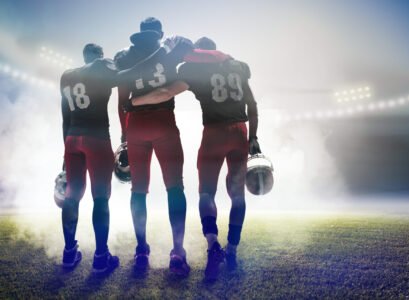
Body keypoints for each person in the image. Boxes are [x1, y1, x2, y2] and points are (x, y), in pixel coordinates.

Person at [131, 37, 262, 281]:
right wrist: (253, 136)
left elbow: (165, 92)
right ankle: (232, 249)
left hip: (214, 134)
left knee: (206, 193)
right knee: (237, 195)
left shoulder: (195, 69)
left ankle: (213, 244)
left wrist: (136, 100)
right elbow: (252, 106)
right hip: (239, 132)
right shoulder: (238, 66)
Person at [114, 17, 193, 276]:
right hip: (164, 123)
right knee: (175, 186)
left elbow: (121, 101)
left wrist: (125, 136)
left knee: (138, 191)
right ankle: (177, 252)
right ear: (160, 34)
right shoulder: (171, 50)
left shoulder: (124, 57)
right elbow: (195, 57)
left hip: (135, 125)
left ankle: (141, 250)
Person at [60, 43, 119, 273]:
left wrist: (65, 150)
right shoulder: (102, 66)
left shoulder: (67, 75)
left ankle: (68, 253)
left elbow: (65, 116)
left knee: (71, 196)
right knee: (101, 198)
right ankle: (101, 256)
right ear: (99, 57)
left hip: (72, 139)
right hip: (97, 138)